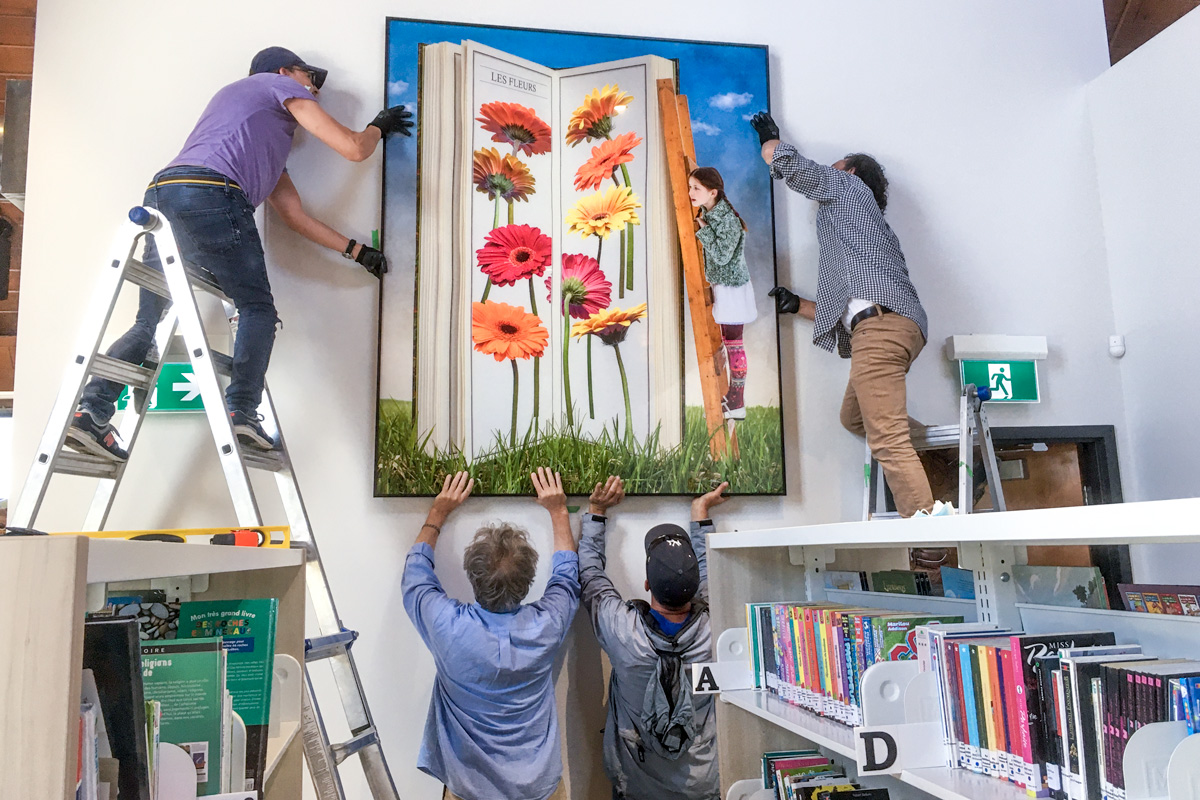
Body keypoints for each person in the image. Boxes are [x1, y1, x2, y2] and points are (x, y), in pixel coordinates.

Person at [67, 46, 413, 460]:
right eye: (310, 79)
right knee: (256, 308)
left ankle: (91, 412)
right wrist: (376, 126)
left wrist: (357, 251)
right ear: (285, 72)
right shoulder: (273, 84)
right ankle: (242, 412)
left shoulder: (261, 146)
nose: (314, 89)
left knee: (150, 319)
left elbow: (293, 216)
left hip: (164, 195)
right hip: (213, 193)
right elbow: (355, 148)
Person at [749, 111, 949, 518]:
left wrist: (770, 141)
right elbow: (853, 303)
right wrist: (797, 305)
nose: (831, 170)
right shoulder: (863, 231)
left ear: (852, 172)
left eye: (837, 164)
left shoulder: (849, 188)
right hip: (891, 324)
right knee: (855, 417)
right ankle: (947, 449)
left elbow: (795, 169)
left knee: (887, 438)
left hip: (881, 328)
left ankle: (931, 536)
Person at [402, 468, 578, 800]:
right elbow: (567, 577)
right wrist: (557, 511)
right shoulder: (547, 625)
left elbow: (415, 574)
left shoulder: (447, 627)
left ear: (472, 575)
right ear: (527, 584)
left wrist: (438, 512)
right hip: (539, 789)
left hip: (468, 790)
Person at [579, 474, 730, 800]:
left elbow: (590, 575)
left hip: (635, 788)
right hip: (702, 788)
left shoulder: (622, 630)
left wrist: (596, 511)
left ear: (647, 585)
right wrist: (700, 513)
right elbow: (711, 572)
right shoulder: (716, 628)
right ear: (694, 589)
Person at [689, 167, 758, 420]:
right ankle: (734, 399)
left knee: (734, 346)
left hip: (733, 289)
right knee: (730, 346)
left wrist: (703, 230)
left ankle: (737, 402)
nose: (690, 193)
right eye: (690, 187)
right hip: (726, 286)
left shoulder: (725, 218)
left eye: (696, 188)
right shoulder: (711, 212)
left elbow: (721, 255)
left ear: (713, 192)